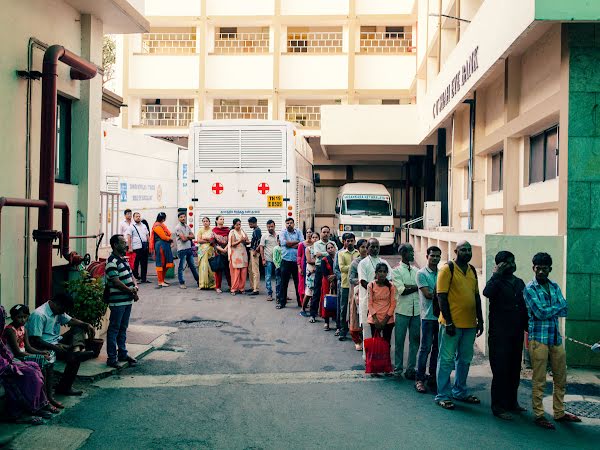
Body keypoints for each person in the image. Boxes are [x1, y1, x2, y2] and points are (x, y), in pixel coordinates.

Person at [523, 252, 581, 429]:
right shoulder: (529, 288)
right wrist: (556, 307)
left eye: (544, 268)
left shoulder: (554, 286)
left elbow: (565, 309)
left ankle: (559, 412)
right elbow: (540, 313)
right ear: (533, 268)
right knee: (539, 379)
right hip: (538, 339)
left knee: (560, 378)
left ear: (550, 269)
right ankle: (539, 414)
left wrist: (552, 308)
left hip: (555, 338)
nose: (541, 271)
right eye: (538, 268)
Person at [435, 241, 483, 410]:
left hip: (469, 324)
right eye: (463, 249)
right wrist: (448, 321)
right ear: (456, 251)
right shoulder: (447, 269)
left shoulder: (472, 271)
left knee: (464, 359)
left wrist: (480, 320)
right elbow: (441, 296)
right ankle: (443, 395)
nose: (467, 252)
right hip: (451, 324)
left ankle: (460, 391)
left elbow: (476, 297)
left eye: (469, 250)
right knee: (446, 360)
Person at [482, 250, 528, 419]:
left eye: (513, 261)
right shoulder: (496, 282)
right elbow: (486, 293)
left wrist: (527, 328)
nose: (512, 264)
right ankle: (498, 407)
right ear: (500, 265)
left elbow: (524, 307)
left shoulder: (519, 282)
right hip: (499, 335)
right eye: (507, 262)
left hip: (516, 334)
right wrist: (496, 275)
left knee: (514, 370)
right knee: (500, 371)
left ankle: (512, 402)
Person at [27, 293, 95, 396]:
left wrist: (86, 324)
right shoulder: (39, 315)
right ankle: (65, 387)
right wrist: (55, 347)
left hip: (56, 341)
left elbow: (70, 320)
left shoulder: (58, 310)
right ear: (56, 304)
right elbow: (34, 340)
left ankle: (76, 352)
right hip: (43, 346)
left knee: (79, 328)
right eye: (63, 309)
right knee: (74, 359)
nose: (63, 312)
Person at [0, 306, 56, 425]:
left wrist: (41, 353)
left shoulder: (24, 329)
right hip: (15, 358)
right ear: (13, 317)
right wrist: (39, 356)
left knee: (43, 366)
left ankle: (45, 401)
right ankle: (36, 406)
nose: (23, 320)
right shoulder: (9, 330)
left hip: (14, 359)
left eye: (25, 317)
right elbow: (15, 353)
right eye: (20, 317)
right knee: (35, 370)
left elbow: (28, 347)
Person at [105, 234, 139, 369]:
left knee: (123, 328)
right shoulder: (111, 261)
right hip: (118, 301)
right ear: (115, 245)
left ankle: (123, 353)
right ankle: (112, 358)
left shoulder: (123, 260)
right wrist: (131, 291)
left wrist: (135, 287)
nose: (125, 244)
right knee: (114, 329)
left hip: (127, 300)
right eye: (123, 242)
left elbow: (131, 275)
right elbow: (115, 281)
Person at [391, 243, 421, 380]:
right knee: (399, 341)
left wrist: (411, 286)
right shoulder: (396, 270)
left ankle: (411, 368)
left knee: (415, 340)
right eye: (411, 252)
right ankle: (398, 368)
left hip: (416, 311)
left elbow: (418, 286)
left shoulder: (416, 270)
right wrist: (417, 287)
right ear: (403, 253)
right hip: (402, 310)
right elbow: (402, 291)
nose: (413, 254)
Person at [415, 246, 442, 394]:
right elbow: (428, 295)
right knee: (425, 348)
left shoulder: (442, 273)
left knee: (437, 349)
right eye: (433, 256)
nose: (435, 259)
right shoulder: (421, 273)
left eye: (438, 256)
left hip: (440, 318)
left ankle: (432, 377)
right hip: (427, 316)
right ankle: (419, 379)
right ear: (427, 256)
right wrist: (442, 295)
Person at [358, 239, 392, 353]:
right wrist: (375, 290)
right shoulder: (363, 263)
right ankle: (368, 358)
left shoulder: (384, 262)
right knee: (368, 331)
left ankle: (382, 358)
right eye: (372, 247)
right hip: (368, 301)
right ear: (367, 248)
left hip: (383, 304)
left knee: (385, 333)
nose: (375, 249)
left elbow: (390, 279)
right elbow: (362, 281)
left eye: (377, 246)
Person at [277, 217, 304, 309]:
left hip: (297, 262)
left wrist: (290, 244)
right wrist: (296, 243)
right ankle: (282, 302)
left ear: (294, 224)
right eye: (287, 223)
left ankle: (300, 302)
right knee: (284, 283)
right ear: (285, 224)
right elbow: (285, 243)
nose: (289, 224)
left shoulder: (299, 232)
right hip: (286, 261)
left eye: (291, 223)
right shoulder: (283, 232)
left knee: (298, 282)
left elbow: (302, 244)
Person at [367, 263, 397, 344]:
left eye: (384, 272)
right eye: (380, 271)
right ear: (376, 273)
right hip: (374, 319)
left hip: (388, 319)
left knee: (386, 343)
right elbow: (369, 303)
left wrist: (385, 321)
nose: (382, 274)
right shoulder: (371, 285)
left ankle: (386, 357)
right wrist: (376, 320)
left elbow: (393, 304)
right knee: (375, 344)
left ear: (387, 273)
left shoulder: (391, 286)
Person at [338, 233, 358, 341]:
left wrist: (351, 267)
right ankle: (342, 330)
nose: (350, 243)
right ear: (344, 242)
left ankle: (355, 330)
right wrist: (354, 266)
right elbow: (342, 268)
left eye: (351, 241)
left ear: (354, 241)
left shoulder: (358, 253)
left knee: (355, 308)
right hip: (345, 284)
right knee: (343, 308)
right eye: (347, 241)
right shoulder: (341, 254)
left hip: (356, 284)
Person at [349, 239, 367, 351]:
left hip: (372, 291)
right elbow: (351, 279)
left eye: (366, 247)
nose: (365, 249)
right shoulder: (355, 263)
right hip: (359, 292)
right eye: (363, 247)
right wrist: (362, 281)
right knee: (357, 316)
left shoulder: (372, 261)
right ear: (358, 248)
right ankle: (358, 340)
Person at [309, 226, 331, 319]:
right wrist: (329, 252)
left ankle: (329, 314)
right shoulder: (317, 244)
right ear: (321, 233)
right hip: (319, 268)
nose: (325, 234)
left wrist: (322, 253)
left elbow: (336, 252)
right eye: (324, 232)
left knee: (330, 291)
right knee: (317, 291)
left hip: (330, 268)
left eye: (327, 232)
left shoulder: (332, 243)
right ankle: (313, 314)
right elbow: (317, 255)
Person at [175, 211, 200, 289]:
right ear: (178, 218)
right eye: (181, 217)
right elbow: (183, 239)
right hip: (182, 250)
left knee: (193, 266)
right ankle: (182, 283)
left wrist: (187, 237)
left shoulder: (187, 226)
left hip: (189, 249)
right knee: (181, 267)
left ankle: (199, 281)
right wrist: (188, 236)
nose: (183, 218)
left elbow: (193, 236)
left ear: (185, 217)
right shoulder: (178, 227)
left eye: (184, 217)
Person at [149, 212, 174, 288]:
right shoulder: (157, 226)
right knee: (161, 263)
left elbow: (168, 234)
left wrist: (169, 238)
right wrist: (170, 239)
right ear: (163, 219)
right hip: (160, 246)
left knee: (166, 263)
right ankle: (160, 281)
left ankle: (162, 280)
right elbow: (163, 237)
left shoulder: (161, 225)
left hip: (164, 245)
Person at [317, 242, 338, 330]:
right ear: (326, 250)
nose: (330, 249)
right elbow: (324, 273)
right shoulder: (324, 259)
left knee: (337, 301)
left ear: (335, 248)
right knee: (326, 301)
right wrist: (331, 280)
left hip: (337, 281)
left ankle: (338, 324)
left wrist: (335, 277)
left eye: (331, 247)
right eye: (328, 248)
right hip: (327, 282)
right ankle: (326, 322)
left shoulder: (338, 258)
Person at [126, 212, 151, 283]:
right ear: (133, 218)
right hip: (136, 248)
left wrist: (150, 245)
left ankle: (144, 278)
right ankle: (136, 278)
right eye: (136, 216)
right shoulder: (131, 226)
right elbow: (129, 237)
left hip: (144, 247)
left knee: (144, 263)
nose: (138, 217)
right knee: (135, 264)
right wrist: (130, 247)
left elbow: (147, 235)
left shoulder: (144, 225)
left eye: (139, 216)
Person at [228, 218, 249, 295]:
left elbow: (247, 241)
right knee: (236, 273)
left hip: (243, 253)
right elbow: (232, 244)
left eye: (239, 224)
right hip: (236, 254)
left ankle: (241, 288)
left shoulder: (243, 231)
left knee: (243, 272)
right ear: (234, 225)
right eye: (237, 225)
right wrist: (240, 240)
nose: (238, 226)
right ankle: (233, 289)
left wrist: (246, 241)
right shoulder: (232, 232)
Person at [301, 232, 319, 316]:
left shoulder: (321, 249)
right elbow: (308, 260)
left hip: (318, 271)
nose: (315, 239)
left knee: (316, 292)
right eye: (313, 237)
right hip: (311, 271)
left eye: (316, 237)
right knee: (308, 292)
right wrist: (318, 262)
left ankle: (314, 310)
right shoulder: (308, 249)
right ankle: (303, 308)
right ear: (311, 239)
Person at [213, 215, 232, 294]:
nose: (222, 220)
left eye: (223, 219)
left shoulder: (227, 230)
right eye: (221, 219)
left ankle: (231, 286)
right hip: (218, 252)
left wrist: (226, 249)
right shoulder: (214, 230)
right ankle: (218, 287)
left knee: (228, 270)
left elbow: (230, 240)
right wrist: (221, 249)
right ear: (217, 221)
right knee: (218, 270)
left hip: (227, 251)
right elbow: (213, 242)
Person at [260, 220, 278, 301]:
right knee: (268, 277)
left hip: (277, 260)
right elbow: (261, 247)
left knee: (279, 277)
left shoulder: (278, 235)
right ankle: (269, 293)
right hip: (268, 259)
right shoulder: (264, 236)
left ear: (274, 226)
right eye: (268, 227)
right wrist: (263, 259)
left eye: (271, 226)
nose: (270, 228)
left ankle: (279, 293)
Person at [197, 217, 216, 289]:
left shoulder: (212, 230)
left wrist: (206, 239)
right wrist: (207, 241)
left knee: (210, 267)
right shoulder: (200, 230)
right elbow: (199, 240)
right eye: (204, 221)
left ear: (209, 222)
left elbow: (213, 241)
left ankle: (212, 284)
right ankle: (202, 285)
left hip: (210, 250)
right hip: (202, 251)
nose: (205, 222)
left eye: (207, 221)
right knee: (203, 267)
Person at [247, 217, 262, 296]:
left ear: (255, 223)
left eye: (250, 224)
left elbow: (259, 242)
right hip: (252, 250)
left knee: (255, 270)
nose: (249, 225)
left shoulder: (257, 230)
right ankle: (253, 287)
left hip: (254, 251)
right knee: (250, 269)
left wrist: (256, 251)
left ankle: (256, 289)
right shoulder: (255, 230)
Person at [297, 232, 312, 305]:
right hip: (303, 266)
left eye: (310, 232)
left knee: (310, 285)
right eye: (307, 232)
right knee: (302, 284)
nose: (309, 234)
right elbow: (299, 256)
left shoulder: (315, 244)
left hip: (311, 267)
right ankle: (302, 302)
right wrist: (299, 267)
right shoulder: (301, 244)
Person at [273, 235, 283, 302]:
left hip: (285, 267)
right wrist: (277, 266)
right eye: (279, 240)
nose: (280, 242)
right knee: (278, 283)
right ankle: (278, 297)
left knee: (284, 283)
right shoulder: (276, 248)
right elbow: (274, 259)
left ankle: (283, 296)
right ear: (277, 241)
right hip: (279, 268)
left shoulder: (285, 248)